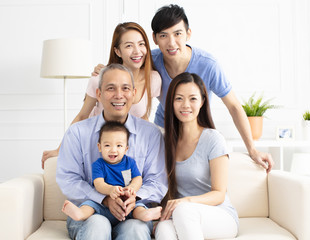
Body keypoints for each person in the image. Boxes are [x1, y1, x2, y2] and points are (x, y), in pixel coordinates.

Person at [92, 5, 274, 173]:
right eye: (163, 35)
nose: (171, 43)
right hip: (165, 129)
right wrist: (104, 68)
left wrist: (252, 149)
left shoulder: (208, 65)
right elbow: (123, 66)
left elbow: (234, 106)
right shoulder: (150, 60)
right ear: (154, 39)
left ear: (188, 33)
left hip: (196, 130)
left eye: (177, 34)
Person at [56, 63, 167, 240]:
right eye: (110, 88)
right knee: (98, 225)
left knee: (135, 230)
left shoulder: (151, 134)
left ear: (134, 93)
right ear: (98, 94)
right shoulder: (77, 132)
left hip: (133, 212)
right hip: (91, 213)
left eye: (125, 88)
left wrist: (134, 199)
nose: (118, 95)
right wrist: (104, 199)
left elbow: (157, 181)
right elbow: (68, 179)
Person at [41, 22, 161, 168]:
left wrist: (153, 145)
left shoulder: (153, 79)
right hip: (98, 144)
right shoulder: (99, 78)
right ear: (118, 51)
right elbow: (82, 116)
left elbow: (142, 118)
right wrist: (60, 149)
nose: (137, 51)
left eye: (141, 44)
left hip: (124, 145)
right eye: (129, 46)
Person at [155, 72, 239, 240]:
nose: (185, 105)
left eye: (192, 98)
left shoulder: (213, 139)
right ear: (170, 103)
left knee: (183, 211)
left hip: (219, 216)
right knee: (163, 229)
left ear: (202, 102)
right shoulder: (165, 141)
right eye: (179, 98)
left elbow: (219, 194)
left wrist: (185, 202)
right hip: (182, 215)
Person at [62, 121, 162, 223]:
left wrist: (132, 189)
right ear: (99, 147)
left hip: (127, 204)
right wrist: (110, 190)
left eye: (119, 146)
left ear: (126, 149)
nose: (113, 150)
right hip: (104, 205)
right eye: (107, 145)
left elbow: (138, 178)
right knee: (90, 204)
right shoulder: (98, 164)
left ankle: (145, 214)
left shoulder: (130, 162)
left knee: (138, 206)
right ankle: (80, 213)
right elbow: (98, 184)